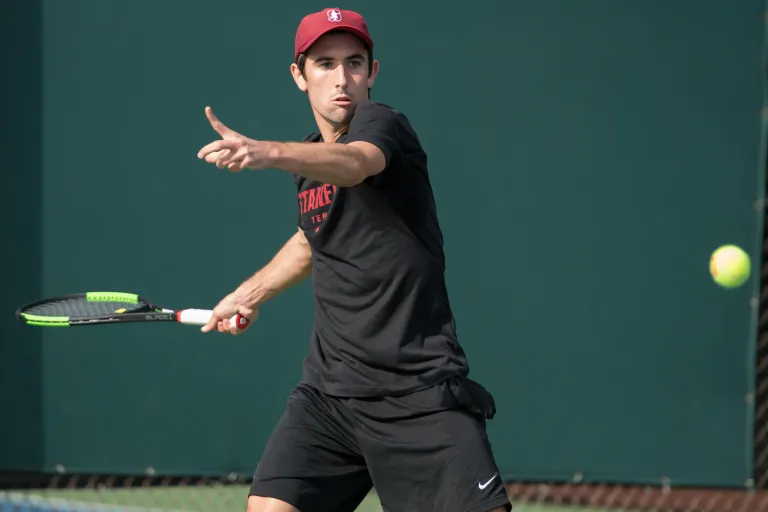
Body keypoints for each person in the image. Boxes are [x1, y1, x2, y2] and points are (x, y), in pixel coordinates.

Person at [196, 7, 512, 512]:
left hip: (416, 394)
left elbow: (355, 164)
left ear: (372, 72)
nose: (341, 78)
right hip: (329, 396)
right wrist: (248, 295)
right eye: (325, 64)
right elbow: (311, 238)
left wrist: (267, 153)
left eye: (354, 63)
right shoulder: (307, 161)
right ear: (299, 76)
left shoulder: (382, 125)